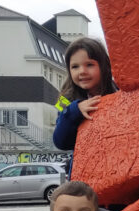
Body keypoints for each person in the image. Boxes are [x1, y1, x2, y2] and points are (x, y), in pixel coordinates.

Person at [54, 37, 118, 175]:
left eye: (89, 65)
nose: (82, 71)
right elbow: (60, 142)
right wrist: (74, 111)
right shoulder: (64, 100)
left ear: (104, 66)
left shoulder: (118, 92)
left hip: (115, 164)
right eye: (75, 66)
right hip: (85, 172)